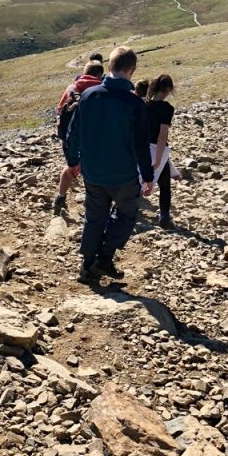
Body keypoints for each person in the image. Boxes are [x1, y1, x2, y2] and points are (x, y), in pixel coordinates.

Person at [65, 45, 153, 282]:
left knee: (94, 217)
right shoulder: (134, 104)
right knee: (126, 215)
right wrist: (148, 175)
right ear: (132, 71)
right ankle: (104, 258)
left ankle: (86, 266)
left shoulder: (89, 95)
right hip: (123, 175)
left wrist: (73, 160)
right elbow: (141, 145)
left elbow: (74, 132)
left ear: (110, 66)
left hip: (93, 172)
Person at [52, 57, 105, 215]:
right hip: (92, 137)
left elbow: (60, 109)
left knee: (71, 166)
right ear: (100, 74)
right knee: (92, 169)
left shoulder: (72, 87)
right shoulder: (101, 88)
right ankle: (94, 203)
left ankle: (60, 197)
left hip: (68, 136)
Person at [146, 74, 180, 230]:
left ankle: (120, 212)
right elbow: (162, 137)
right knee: (165, 185)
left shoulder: (144, 105)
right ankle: (164, 217)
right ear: (168, 89)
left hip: (142, 148)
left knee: (136, 182)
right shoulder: (167, 109)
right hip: (158, 150)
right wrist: (158, 160)